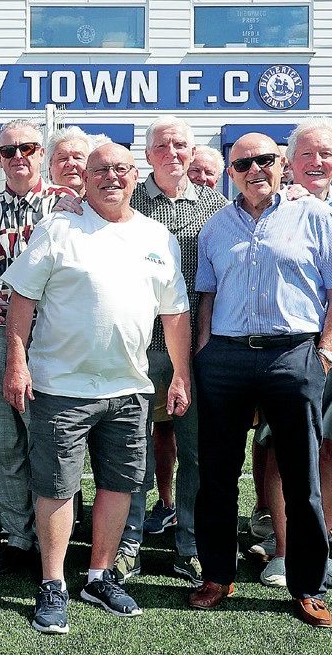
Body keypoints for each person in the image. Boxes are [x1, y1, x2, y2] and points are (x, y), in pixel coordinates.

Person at [3, 142, 191, 634]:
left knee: (119, 485)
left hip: (130, 388)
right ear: (83, 178)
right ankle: (52, 584)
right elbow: (21, 297)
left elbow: (174, 314)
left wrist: (180, 374)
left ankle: (98, 576)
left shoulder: (158, 236)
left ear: (135, 176)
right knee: (57, 487)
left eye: (121, 170)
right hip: (61, 387)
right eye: (101, 170)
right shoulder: (59, 228)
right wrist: (17, 364)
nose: (111, 177)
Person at [187, 133, 332, 629]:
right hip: (226, 358)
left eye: (264, 160)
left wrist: (323, 354)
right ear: (229, 172)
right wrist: (203, 356)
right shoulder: (215, 227)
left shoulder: (315, 217)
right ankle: (217, 575)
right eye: (243, 164)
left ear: (281, 165)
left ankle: (307, 585)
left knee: (302, 479)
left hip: (294, 355)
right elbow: (208, 299)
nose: (254, 169)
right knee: (216, 475)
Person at [250, 120, 332, 592]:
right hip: (294, 340)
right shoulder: (271, 203)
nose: (317, 163)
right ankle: (284, 552)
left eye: (327, 155)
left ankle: (317, 550)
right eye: (307, 155)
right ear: (288, 162)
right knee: (286, 445)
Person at [0, 121, 76, 577]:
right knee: (0, 438)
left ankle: (56, 542)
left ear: (40, 153)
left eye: (27, 148)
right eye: (8, 151)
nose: (18, 157)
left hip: (48, 333)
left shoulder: (66, 206)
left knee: (49, 438)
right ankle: (17, 539)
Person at [116, 116, 226, 586]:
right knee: (132, 449)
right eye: (162, 145)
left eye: (181, 144)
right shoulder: (127, 201)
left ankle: (190, 544)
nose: (173, 152)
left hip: (197, 347)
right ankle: (129, 545)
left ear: (192, 149)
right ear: (148, 153)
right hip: (137, 346)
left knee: (196, 452)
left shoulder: (219, 207)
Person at [45, 127, 94, 195]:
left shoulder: (106, 204)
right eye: (63, 158)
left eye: (78, 158)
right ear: (50, 170)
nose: (70, 163)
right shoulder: (36, 204)